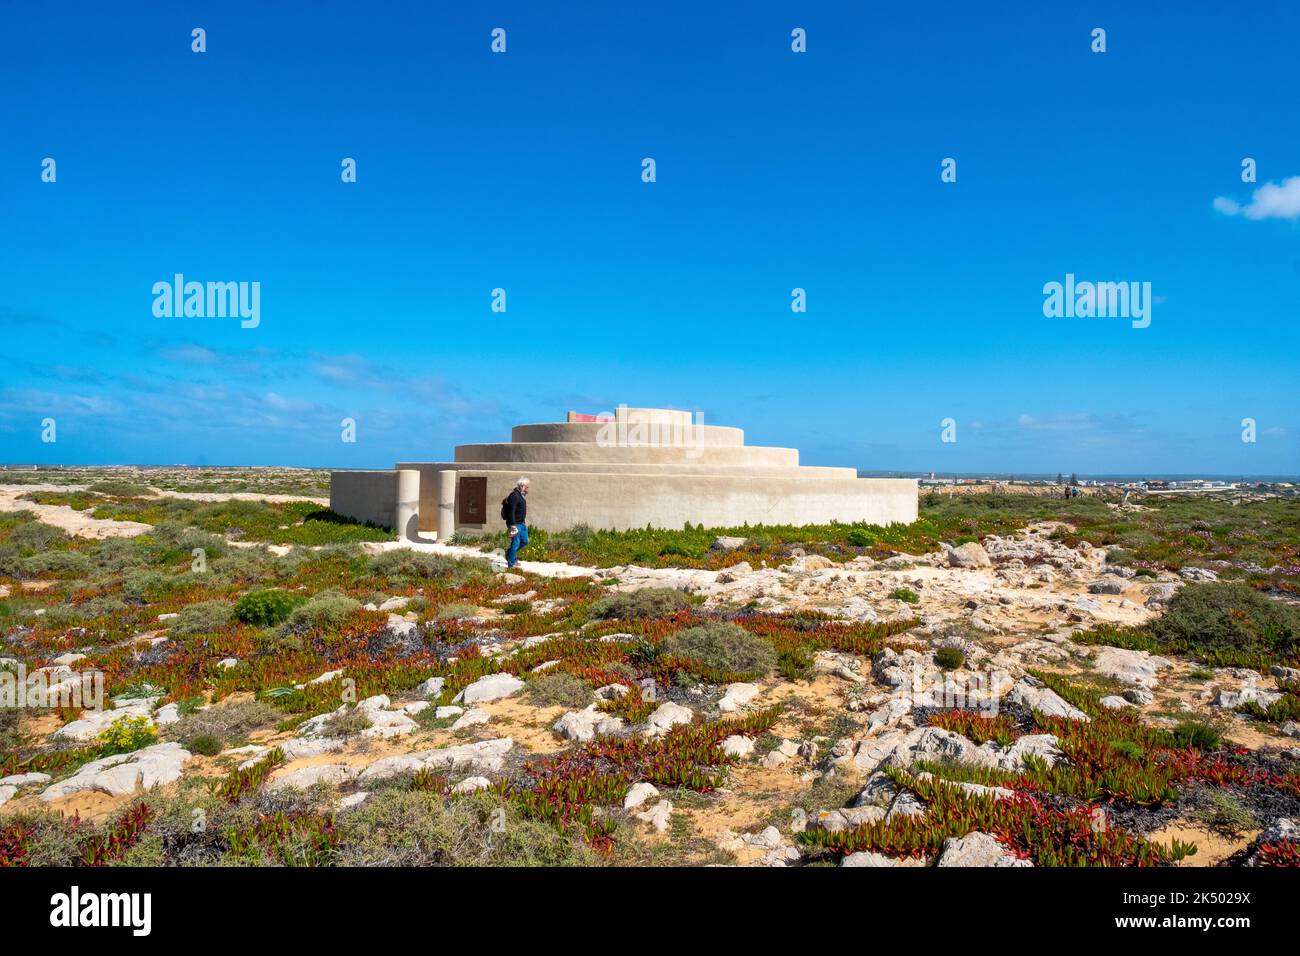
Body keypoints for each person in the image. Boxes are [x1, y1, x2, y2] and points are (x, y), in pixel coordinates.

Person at [503, 477, 530, 568]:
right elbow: (512, 511)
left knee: (525, 541)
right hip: (515, 524)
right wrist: (513, 525)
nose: (527, 489)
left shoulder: (520, 495)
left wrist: (523, 523)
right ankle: (511, 563)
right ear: (521, 486)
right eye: (526, 487)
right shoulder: (514, 495)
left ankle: (509, 554)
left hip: (521, 524)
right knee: (516, 543)